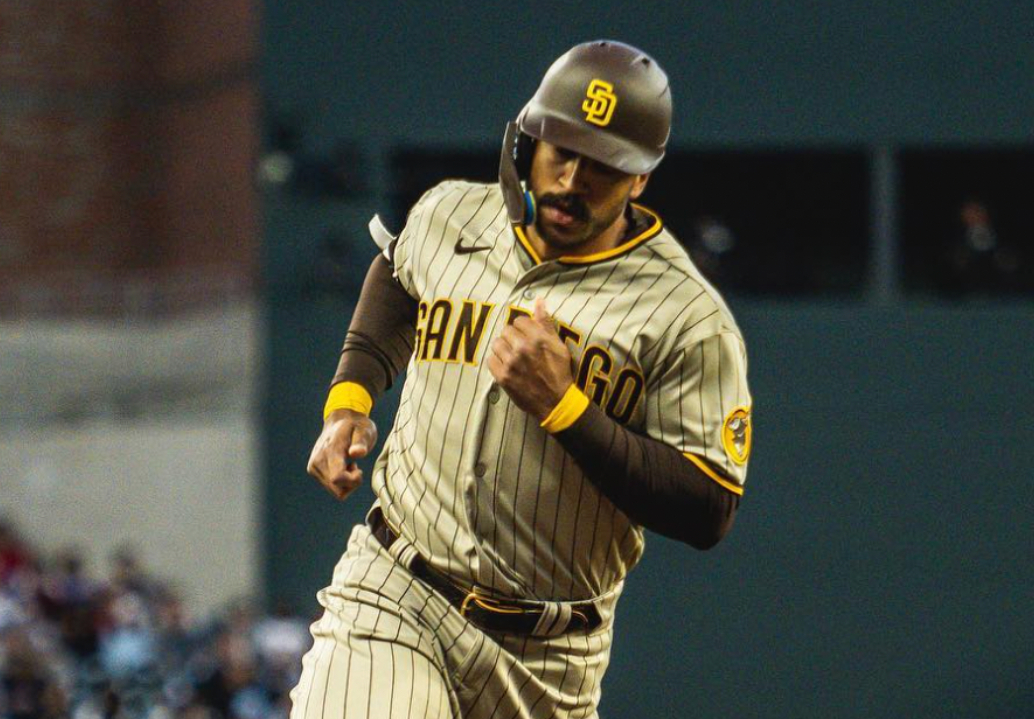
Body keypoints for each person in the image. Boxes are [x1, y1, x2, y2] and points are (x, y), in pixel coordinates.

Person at [292, 40, 753, 719]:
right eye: (560, 149)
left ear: (641, 179)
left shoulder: (687, 317)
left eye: (602, 166)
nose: (571, 178)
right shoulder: (452, 214)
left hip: (551, 658)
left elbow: (708, 507)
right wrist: (350, 400)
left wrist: (567, 407)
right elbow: (397, 276)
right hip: (397, 590)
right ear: (528, 138)